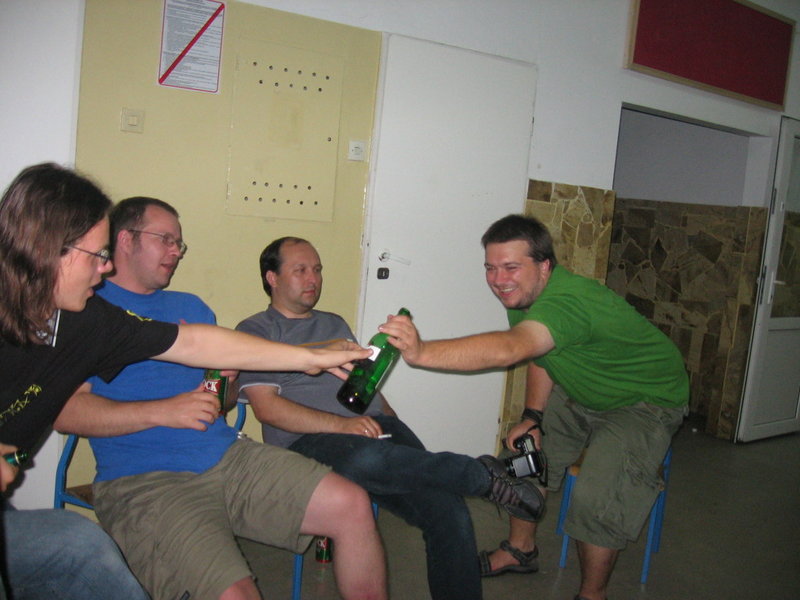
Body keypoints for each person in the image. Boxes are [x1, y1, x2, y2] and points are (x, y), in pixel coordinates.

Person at [0, 164, 380, 600]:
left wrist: (309, 357)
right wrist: (163, 411)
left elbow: (198, 344)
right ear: (50, 249)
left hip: (225, 456)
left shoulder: (90, 319)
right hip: (147, 478)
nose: (103, 268)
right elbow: (67, 412)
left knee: (352, 504)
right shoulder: (79, 313)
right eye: (96, 254)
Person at [377, 214, 689, 600]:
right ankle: (520, 550)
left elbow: (512, 348)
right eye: (490, 268)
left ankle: (592, 595)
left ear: (544, 266)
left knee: (596, 498)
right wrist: (533, 417)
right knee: (520, 458)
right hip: (582, 393)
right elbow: (542, 354)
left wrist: (422, 351)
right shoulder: (525, 296)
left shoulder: (569, 300)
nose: (498, 280)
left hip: (645, 402)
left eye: (510, 267)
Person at [235, 237, 546, 600]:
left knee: (448, 509)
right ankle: (483, 476)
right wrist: (343, 425)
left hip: (371, 429)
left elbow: (362, 380)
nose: (313, 279)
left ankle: (484, 480)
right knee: (367, 458)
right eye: (300, 270)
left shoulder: (333, 322)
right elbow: (268, 409)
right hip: (310, 441)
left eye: (317, 270)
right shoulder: (256, 331)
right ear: (272, 277)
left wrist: (389, 417)